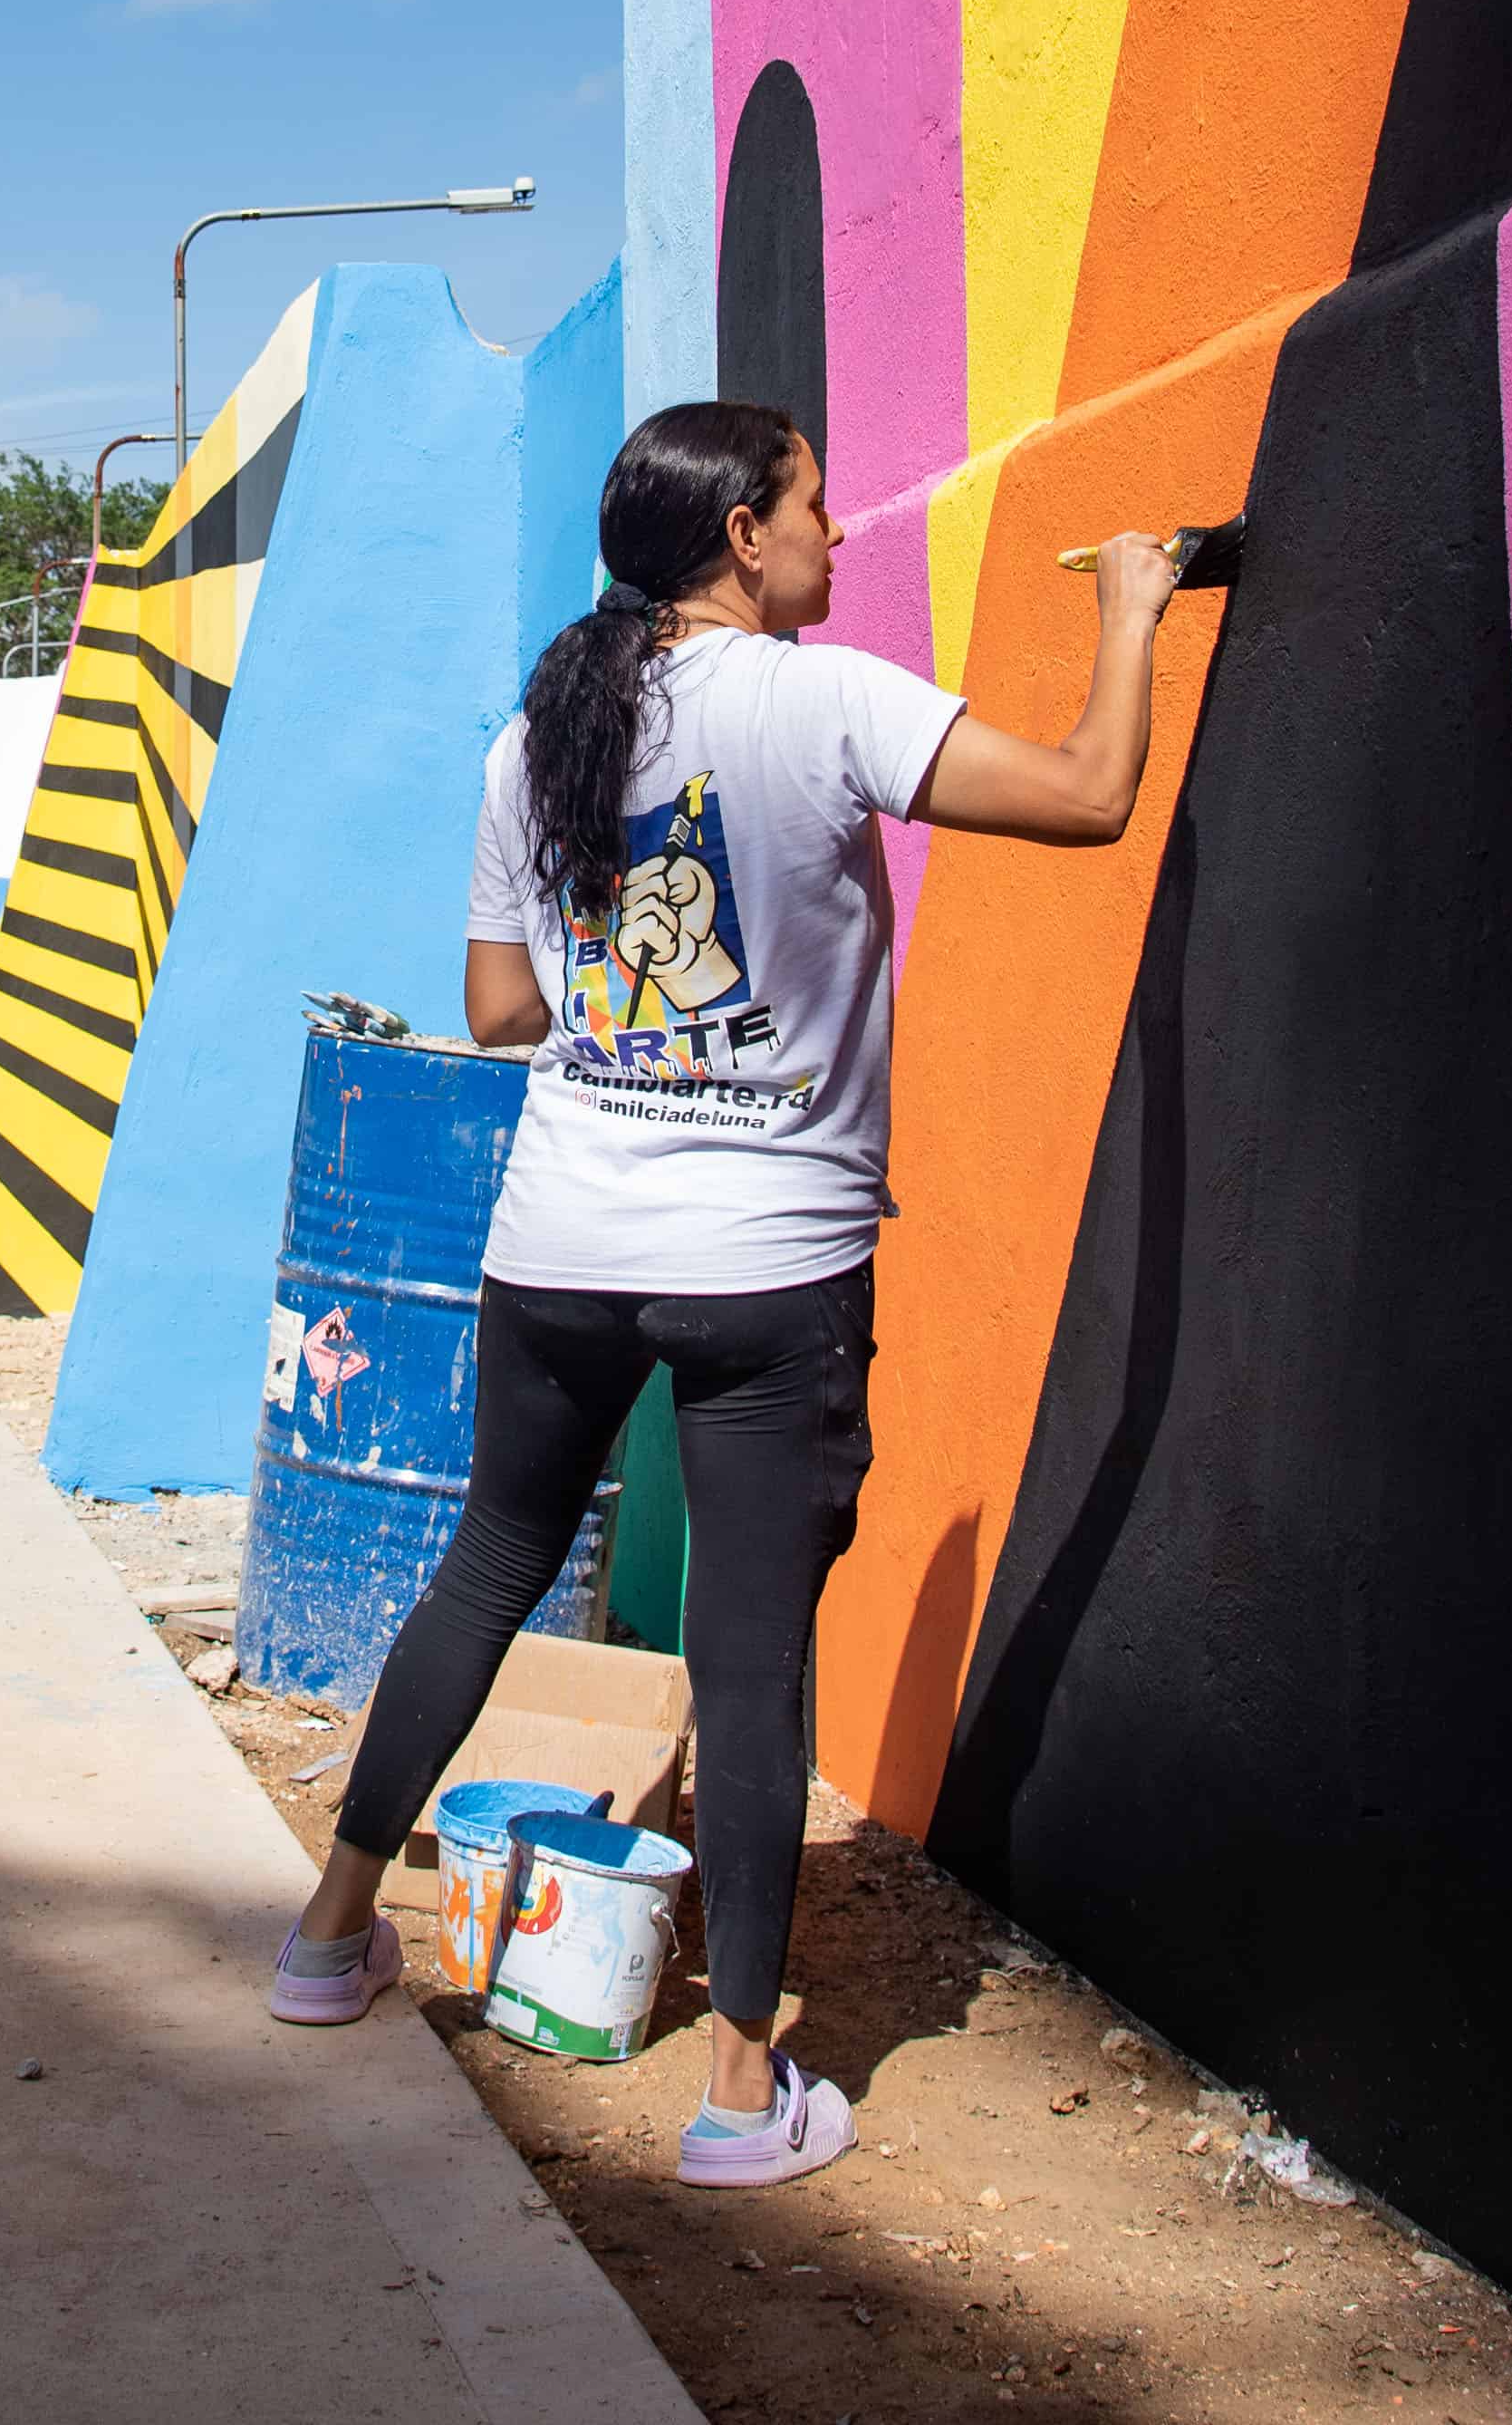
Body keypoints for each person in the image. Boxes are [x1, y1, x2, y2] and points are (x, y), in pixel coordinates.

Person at [262, 399, 1196, 2192]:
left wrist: (628, 994)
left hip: (557, 1248)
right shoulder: (827, 699)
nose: (835, 538)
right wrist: (1137, 602)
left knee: (482, 1567)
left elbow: (497, 1014)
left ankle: (324, 1934)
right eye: (817, 508)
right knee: (748, 1663)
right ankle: (736, 2090)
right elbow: (1087, 796)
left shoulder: (533, 734)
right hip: (767, 1267)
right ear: (743, 536)